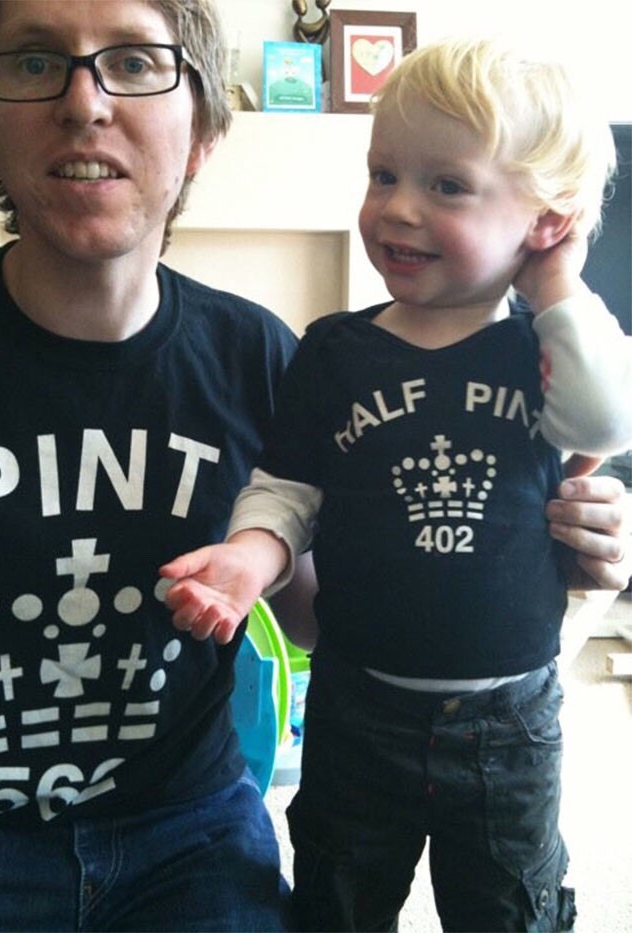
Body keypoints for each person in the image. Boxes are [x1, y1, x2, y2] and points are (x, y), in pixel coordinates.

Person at [0, 11, 628, 933]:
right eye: (33, 61)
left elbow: (313, 609)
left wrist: (547, 563)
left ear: (205, 129)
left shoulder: (262, 354)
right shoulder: (332, 353)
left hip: (189, 829)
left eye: (133, 61)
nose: (84, 102)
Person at [160, 37, 632, 932]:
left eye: (447, 185)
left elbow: (609, 421)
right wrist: (250, 556)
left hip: (509, 720)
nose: (397, 208)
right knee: (338, 899)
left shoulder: (543, 350)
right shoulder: (335, 350)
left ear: (546, 221)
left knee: (513, 907)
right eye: (384, 175)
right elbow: (285, 489)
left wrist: (558, 280)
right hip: (357, 705)